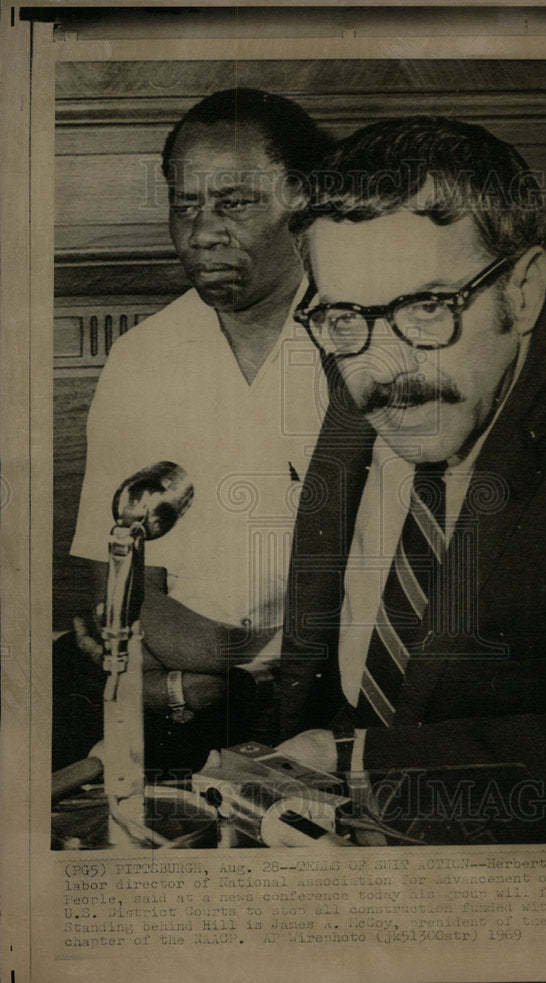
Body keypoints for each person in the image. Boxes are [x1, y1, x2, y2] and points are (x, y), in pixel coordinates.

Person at [252, 116, 546, 843]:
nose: (383, 369)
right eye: (345, 316)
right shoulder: (364, 340)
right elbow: (324, 635)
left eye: (428, 306)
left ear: (523, 291)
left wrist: (366, 766)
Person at [52, 88, 332, 773]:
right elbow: (116, 573)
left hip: (326, 687)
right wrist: (195, 676)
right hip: (171, 674)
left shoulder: (360, 334)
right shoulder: (145, 355)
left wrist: (224, 666)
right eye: (185, 206)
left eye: (233, 202)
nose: (202, 230)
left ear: (302, 199)